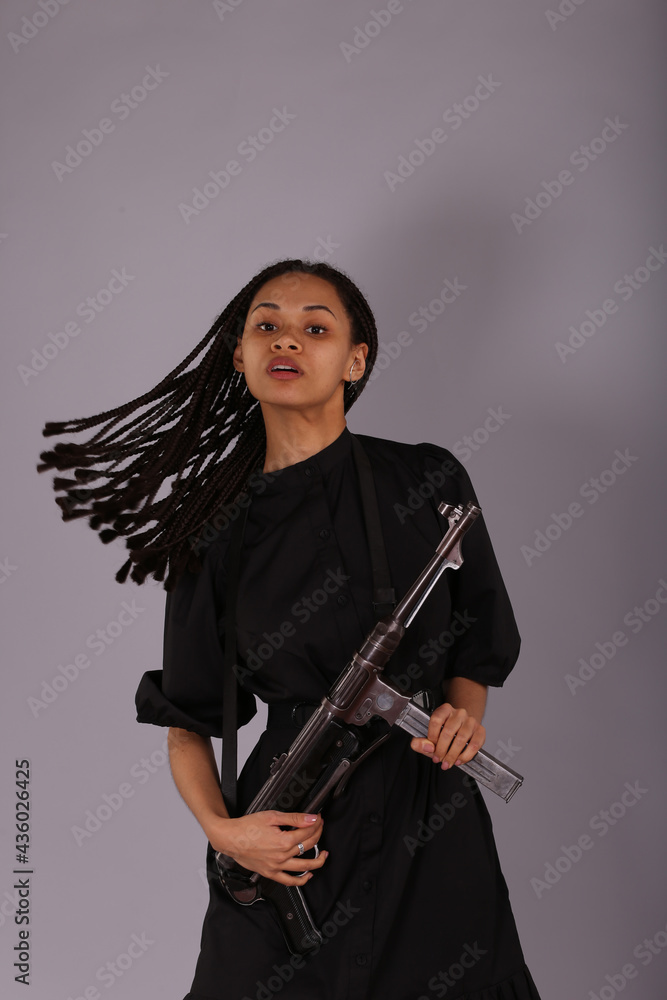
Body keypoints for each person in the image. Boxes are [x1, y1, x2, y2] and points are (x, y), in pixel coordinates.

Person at [39, 258, 542, 999]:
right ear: (239, 355)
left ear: (354, 359)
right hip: (286, 828)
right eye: (266, 325)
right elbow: (188, 721)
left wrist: (462, 719)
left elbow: (476, 635)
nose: (287, 342)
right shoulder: (212, 532)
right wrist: (223, 831)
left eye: (315, 328)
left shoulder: (428, 482)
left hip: (428, 818)